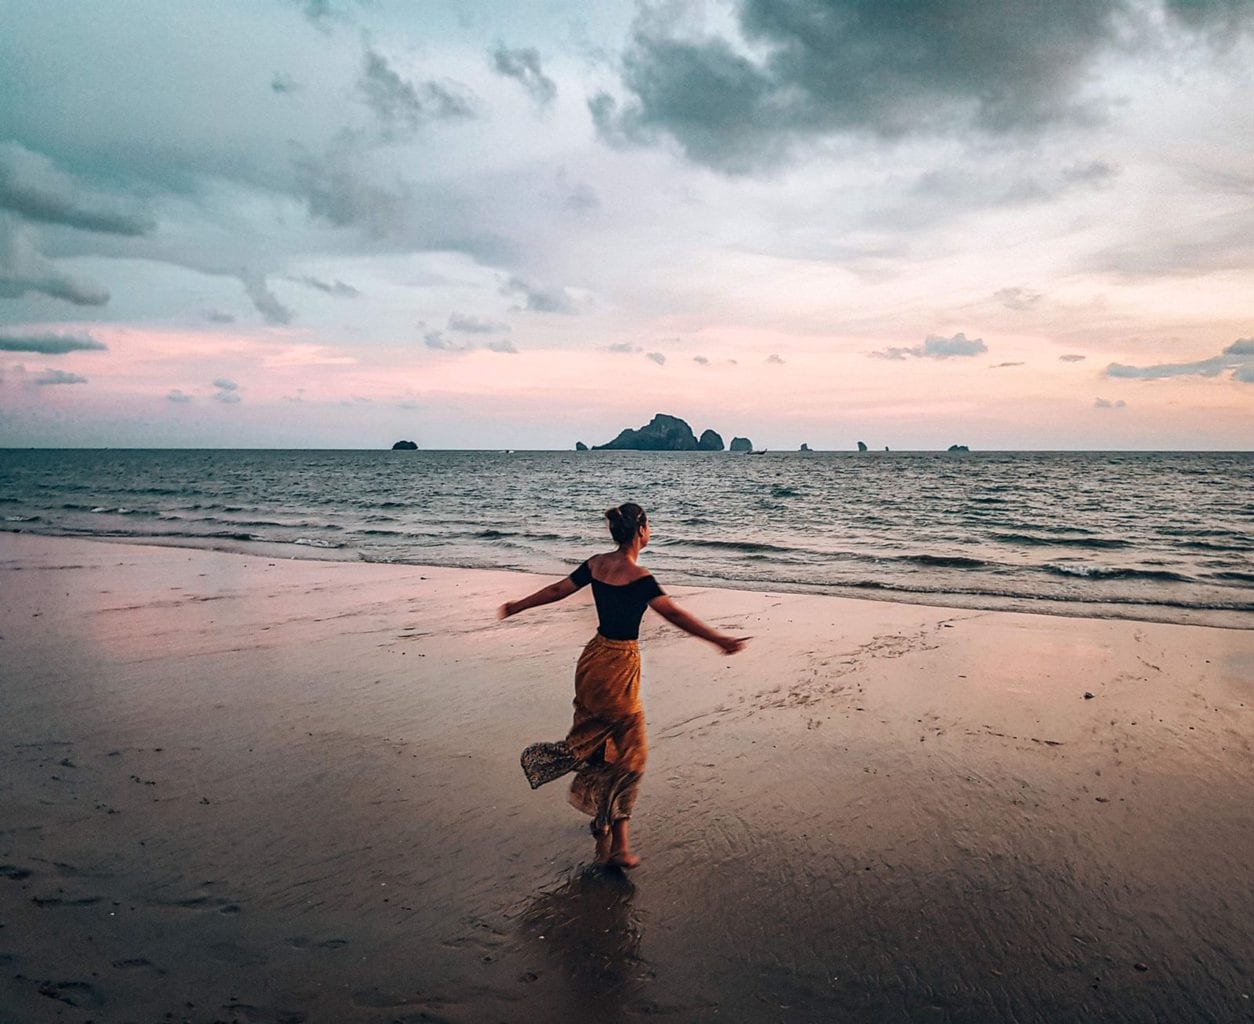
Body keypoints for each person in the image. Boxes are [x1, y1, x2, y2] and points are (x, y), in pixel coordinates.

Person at [498, 502, 747, 869]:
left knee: (602, 743)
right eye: (649, 525)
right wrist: (718, 639)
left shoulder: (597, 564)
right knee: (632, 752)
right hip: (619, 664)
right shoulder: (639, 576)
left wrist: (517, 606)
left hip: (592, 660)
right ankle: (620, 846)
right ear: (641, 529)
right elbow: (674, 613)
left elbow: (556, 590)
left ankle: (601, 820)